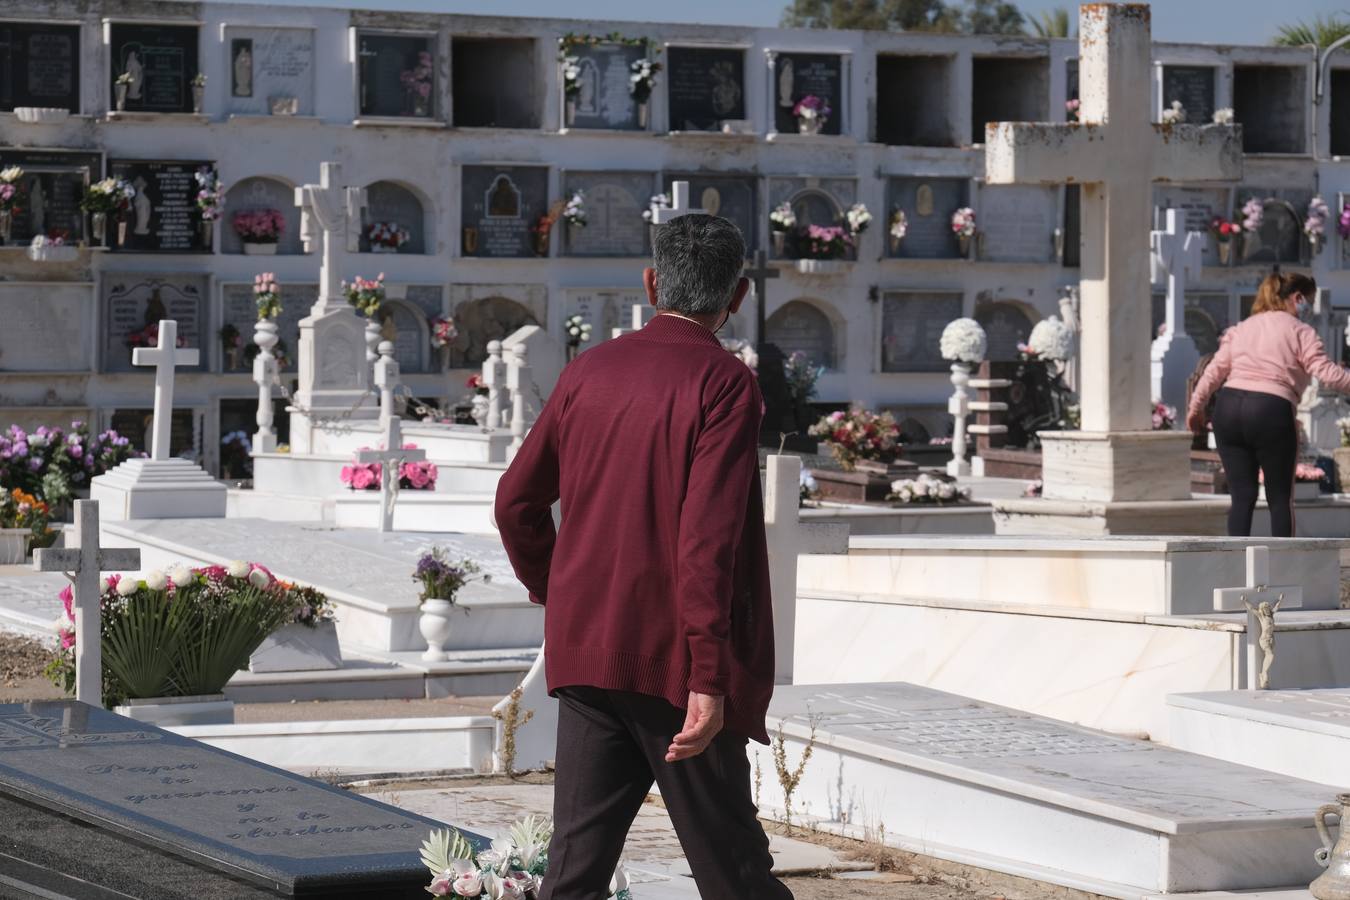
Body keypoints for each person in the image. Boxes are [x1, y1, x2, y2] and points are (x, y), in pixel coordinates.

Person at [494, 214, 790, 900]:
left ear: (653, 282)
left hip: (589, 652)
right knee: (737, 873)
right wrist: (709, 678)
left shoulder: (588, 370)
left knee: (573, 873)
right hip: (673, 665)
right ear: (738, 297)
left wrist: (557, 590)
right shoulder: (723, 384)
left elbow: (516, 503)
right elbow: (705, 542)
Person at [1187, 271, 1350, 536]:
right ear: (1297, 298)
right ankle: (1283, 568)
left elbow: (1214, 371)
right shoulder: (1300, 331)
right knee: (1279, 499)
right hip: (1270, 409)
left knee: (1242, 497)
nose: (1308, 307)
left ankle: (1235, 566)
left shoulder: (1242, 328)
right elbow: (1328, 373)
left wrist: (1196, 408)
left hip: (1228, 409)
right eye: (1308, 300)